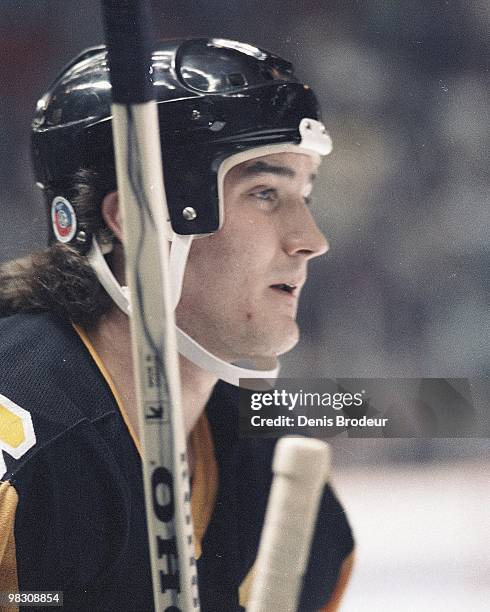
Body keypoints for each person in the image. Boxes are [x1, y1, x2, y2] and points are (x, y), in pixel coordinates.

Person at [0, 38, 354, 611]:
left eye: (303, 192)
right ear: (137, 220)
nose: (311, 241)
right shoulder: (30, 448)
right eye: (264, 192)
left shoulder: (266, 469)